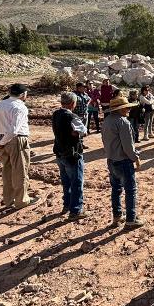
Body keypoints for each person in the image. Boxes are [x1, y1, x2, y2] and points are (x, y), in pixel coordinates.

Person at [0, 84, 39, 209]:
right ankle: (22, 201)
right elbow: (14, 130)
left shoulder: (0, 104)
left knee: (7, 171)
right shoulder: (20, 107)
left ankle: (9, 199)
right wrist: (1, 142)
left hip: (2, 140)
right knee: (20, 171)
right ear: (22, 95)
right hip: (17, 140)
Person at [101, 96, 145, 227]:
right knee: (130, 190)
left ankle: (117, 216)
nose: (128, 109)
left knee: (116, 189)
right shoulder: (123, 122)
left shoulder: (107, 120)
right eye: (126, 107)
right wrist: (135, 158)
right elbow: (128, 147)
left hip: (111, 160)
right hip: (123, 161)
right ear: (120, 109)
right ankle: (131, 219)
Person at [52, 92, 87, 220]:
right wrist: (75, 133)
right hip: (72, 154)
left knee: (66, 182)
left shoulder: (56, 114)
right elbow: (84, 131)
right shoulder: (72, 116)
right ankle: (76, 210)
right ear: (73, 103)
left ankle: (67, 205)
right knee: (76, 182)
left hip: (59, 152)